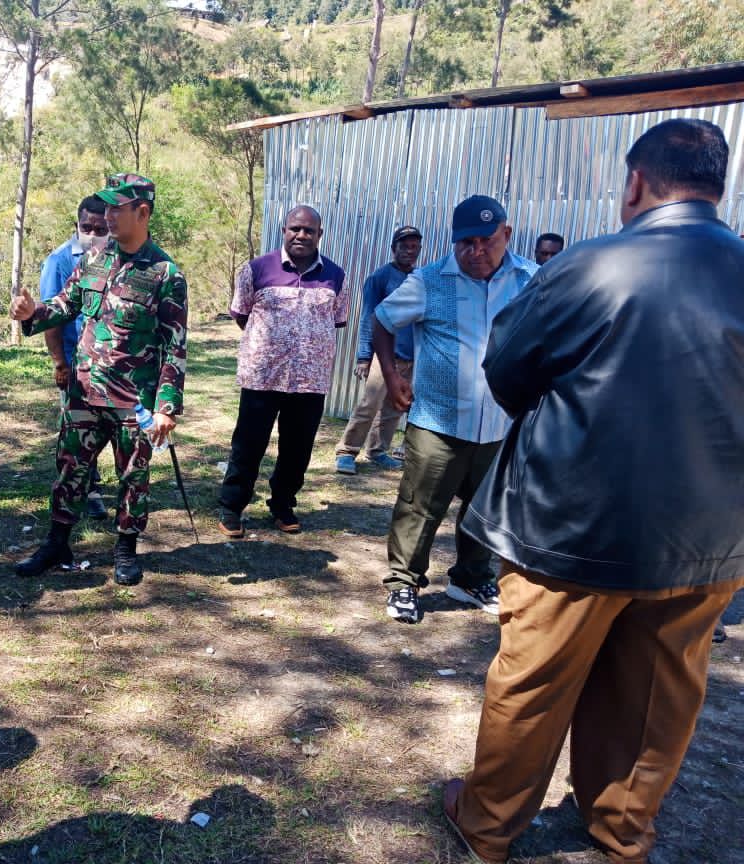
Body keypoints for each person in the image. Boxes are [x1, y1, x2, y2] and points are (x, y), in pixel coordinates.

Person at [443, 119, 744, 864]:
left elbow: (509, 369)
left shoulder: (588, 265)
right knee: (658, 694)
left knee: (535, 682)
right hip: (709, 537)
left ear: (635, 184)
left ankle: (486, 827)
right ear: (719, 187)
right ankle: (622, 827)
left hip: (571, 525)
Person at [10, 173, 187, 586]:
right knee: (70, 469)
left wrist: (165, 407)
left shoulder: (165, 274)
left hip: (134, 400)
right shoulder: (94, 259)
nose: (106, 216)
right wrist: (32, 313)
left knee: (133, 476)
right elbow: (65, 304)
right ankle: (57, 542)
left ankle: (125, 549)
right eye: (104, 207)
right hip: (84, 391)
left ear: (142, 213)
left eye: (115, 208)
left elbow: (174, 346)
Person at [373, 195, 538, 625]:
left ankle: (470, 578)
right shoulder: (430, 280)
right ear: (453, 241)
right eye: (465, 243)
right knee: (420, 504)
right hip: (438, 421)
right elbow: (384, 319)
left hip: (501, 422)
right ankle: (404, 583)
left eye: (486, 241)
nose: (476, 252)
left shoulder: (531, 280)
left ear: (507, 234)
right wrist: (392, 377)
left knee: (485, 506)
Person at [217, 205, 350, 536]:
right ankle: (232, 507)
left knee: (298, 448)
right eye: (295, 228)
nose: (301, 235)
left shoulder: (336, 276)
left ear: (320, 234)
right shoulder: (256, 269)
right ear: (284, 230)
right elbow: (242, 314)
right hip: (263, 376)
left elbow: (336, 320)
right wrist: (270, 347)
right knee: (248, 444)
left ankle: (283, 505)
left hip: (309, 381)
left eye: (309, 230)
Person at [38, 194, 111, 520]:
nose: (93, 233)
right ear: (77, 226)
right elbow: (51, 317)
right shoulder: (60, 260)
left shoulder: (115, 258)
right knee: (77, 432)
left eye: (101, 228)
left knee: (101, 428)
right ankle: (86, 491)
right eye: (87, 227)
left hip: (109, 365)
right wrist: (60, 364)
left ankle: (90, 485)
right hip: (74, 361)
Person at [334, 225, 421, 474]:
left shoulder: (419, 278)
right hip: (385, 358)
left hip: (410, 356)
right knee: (369, 404)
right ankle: (347, 451)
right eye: (404, 246)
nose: (409, 251)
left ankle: (377, 450)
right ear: (394, 248)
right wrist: (364, 356)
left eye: (414, 247)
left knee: (396, 406)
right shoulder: (380, 277)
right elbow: (367, 317)